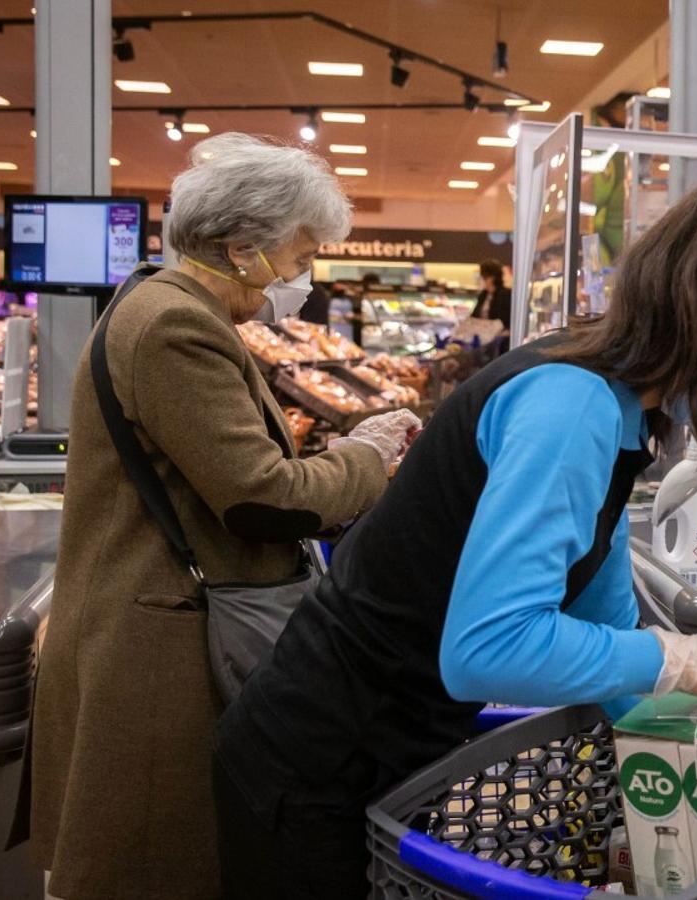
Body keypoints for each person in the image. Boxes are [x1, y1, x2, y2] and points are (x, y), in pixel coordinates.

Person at [211, 170, 697, 899]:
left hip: (381, 755)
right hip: (316, 764)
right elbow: (488, 647)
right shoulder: (573, 404)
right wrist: (684, 660)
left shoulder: (621, 412)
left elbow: (604, 619)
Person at [25, 133, 419, 900]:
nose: (302, 278)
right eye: (301, 256)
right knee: (158, 865)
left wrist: (341, 454)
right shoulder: (177, 327)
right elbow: (260, 497)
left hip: (155, 624)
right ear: (243, 250)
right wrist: (367, 458)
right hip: (159, 646)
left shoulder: (160, 304)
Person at [470, 257, 512, 330]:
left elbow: (505, 321)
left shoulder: (506, 295)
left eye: (483, 276)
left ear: (492, 277)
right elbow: (474, 316)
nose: (480, 279)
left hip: (499, 335)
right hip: (482, 334)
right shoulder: (483, 295)